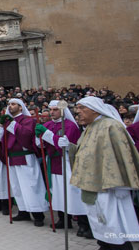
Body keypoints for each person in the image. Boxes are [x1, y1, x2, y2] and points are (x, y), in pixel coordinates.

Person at [69, 96, 139, 250]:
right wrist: (69, 148)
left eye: (82, 108)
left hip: (110, 187)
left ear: (94, 109)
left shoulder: (110, 126)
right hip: (92, 185)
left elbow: (122, 156)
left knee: (113, 223)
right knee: (100, 223)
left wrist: (122, 186)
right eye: (77, 109)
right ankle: (104, 245)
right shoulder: (90, 126)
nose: (77, 112)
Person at [34, 100, 90, 236]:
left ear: (62, 111)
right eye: (51, 109)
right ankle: (64, 219)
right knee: (58, 191)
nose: (52, 112)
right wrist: (38, 137)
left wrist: (46, 134)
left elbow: (65, 145)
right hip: (53, 161)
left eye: (55, 109)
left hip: (67, 162)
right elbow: (40, 145)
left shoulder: (70, 125)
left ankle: (83, 223)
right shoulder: (46, 124)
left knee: (72, 192)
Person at [0, 98, 49, 226]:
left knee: (30, 186)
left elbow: (26, 135)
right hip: (12, 157)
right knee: (17, 187)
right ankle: (23, 211)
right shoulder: (7, 122)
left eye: (13, 104)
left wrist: (12, 125)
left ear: (21, 107)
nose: (10, 106)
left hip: (26, 156)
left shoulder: (28, 120)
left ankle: (38, 214)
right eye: (9, 104)